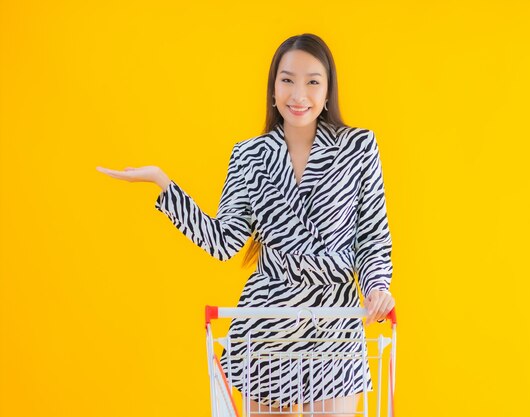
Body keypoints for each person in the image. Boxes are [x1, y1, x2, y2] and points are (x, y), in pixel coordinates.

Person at [96, 33, 395, 417]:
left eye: (312, 81)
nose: (298, 94)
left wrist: (377, 288)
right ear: (273, 89)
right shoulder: (250, 155)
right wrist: (162, 184)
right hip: (266, 324)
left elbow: (372, 236)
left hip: (332, 319)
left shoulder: (359, 147)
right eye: (287, 80)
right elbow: (224, 241)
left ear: (327, 90)